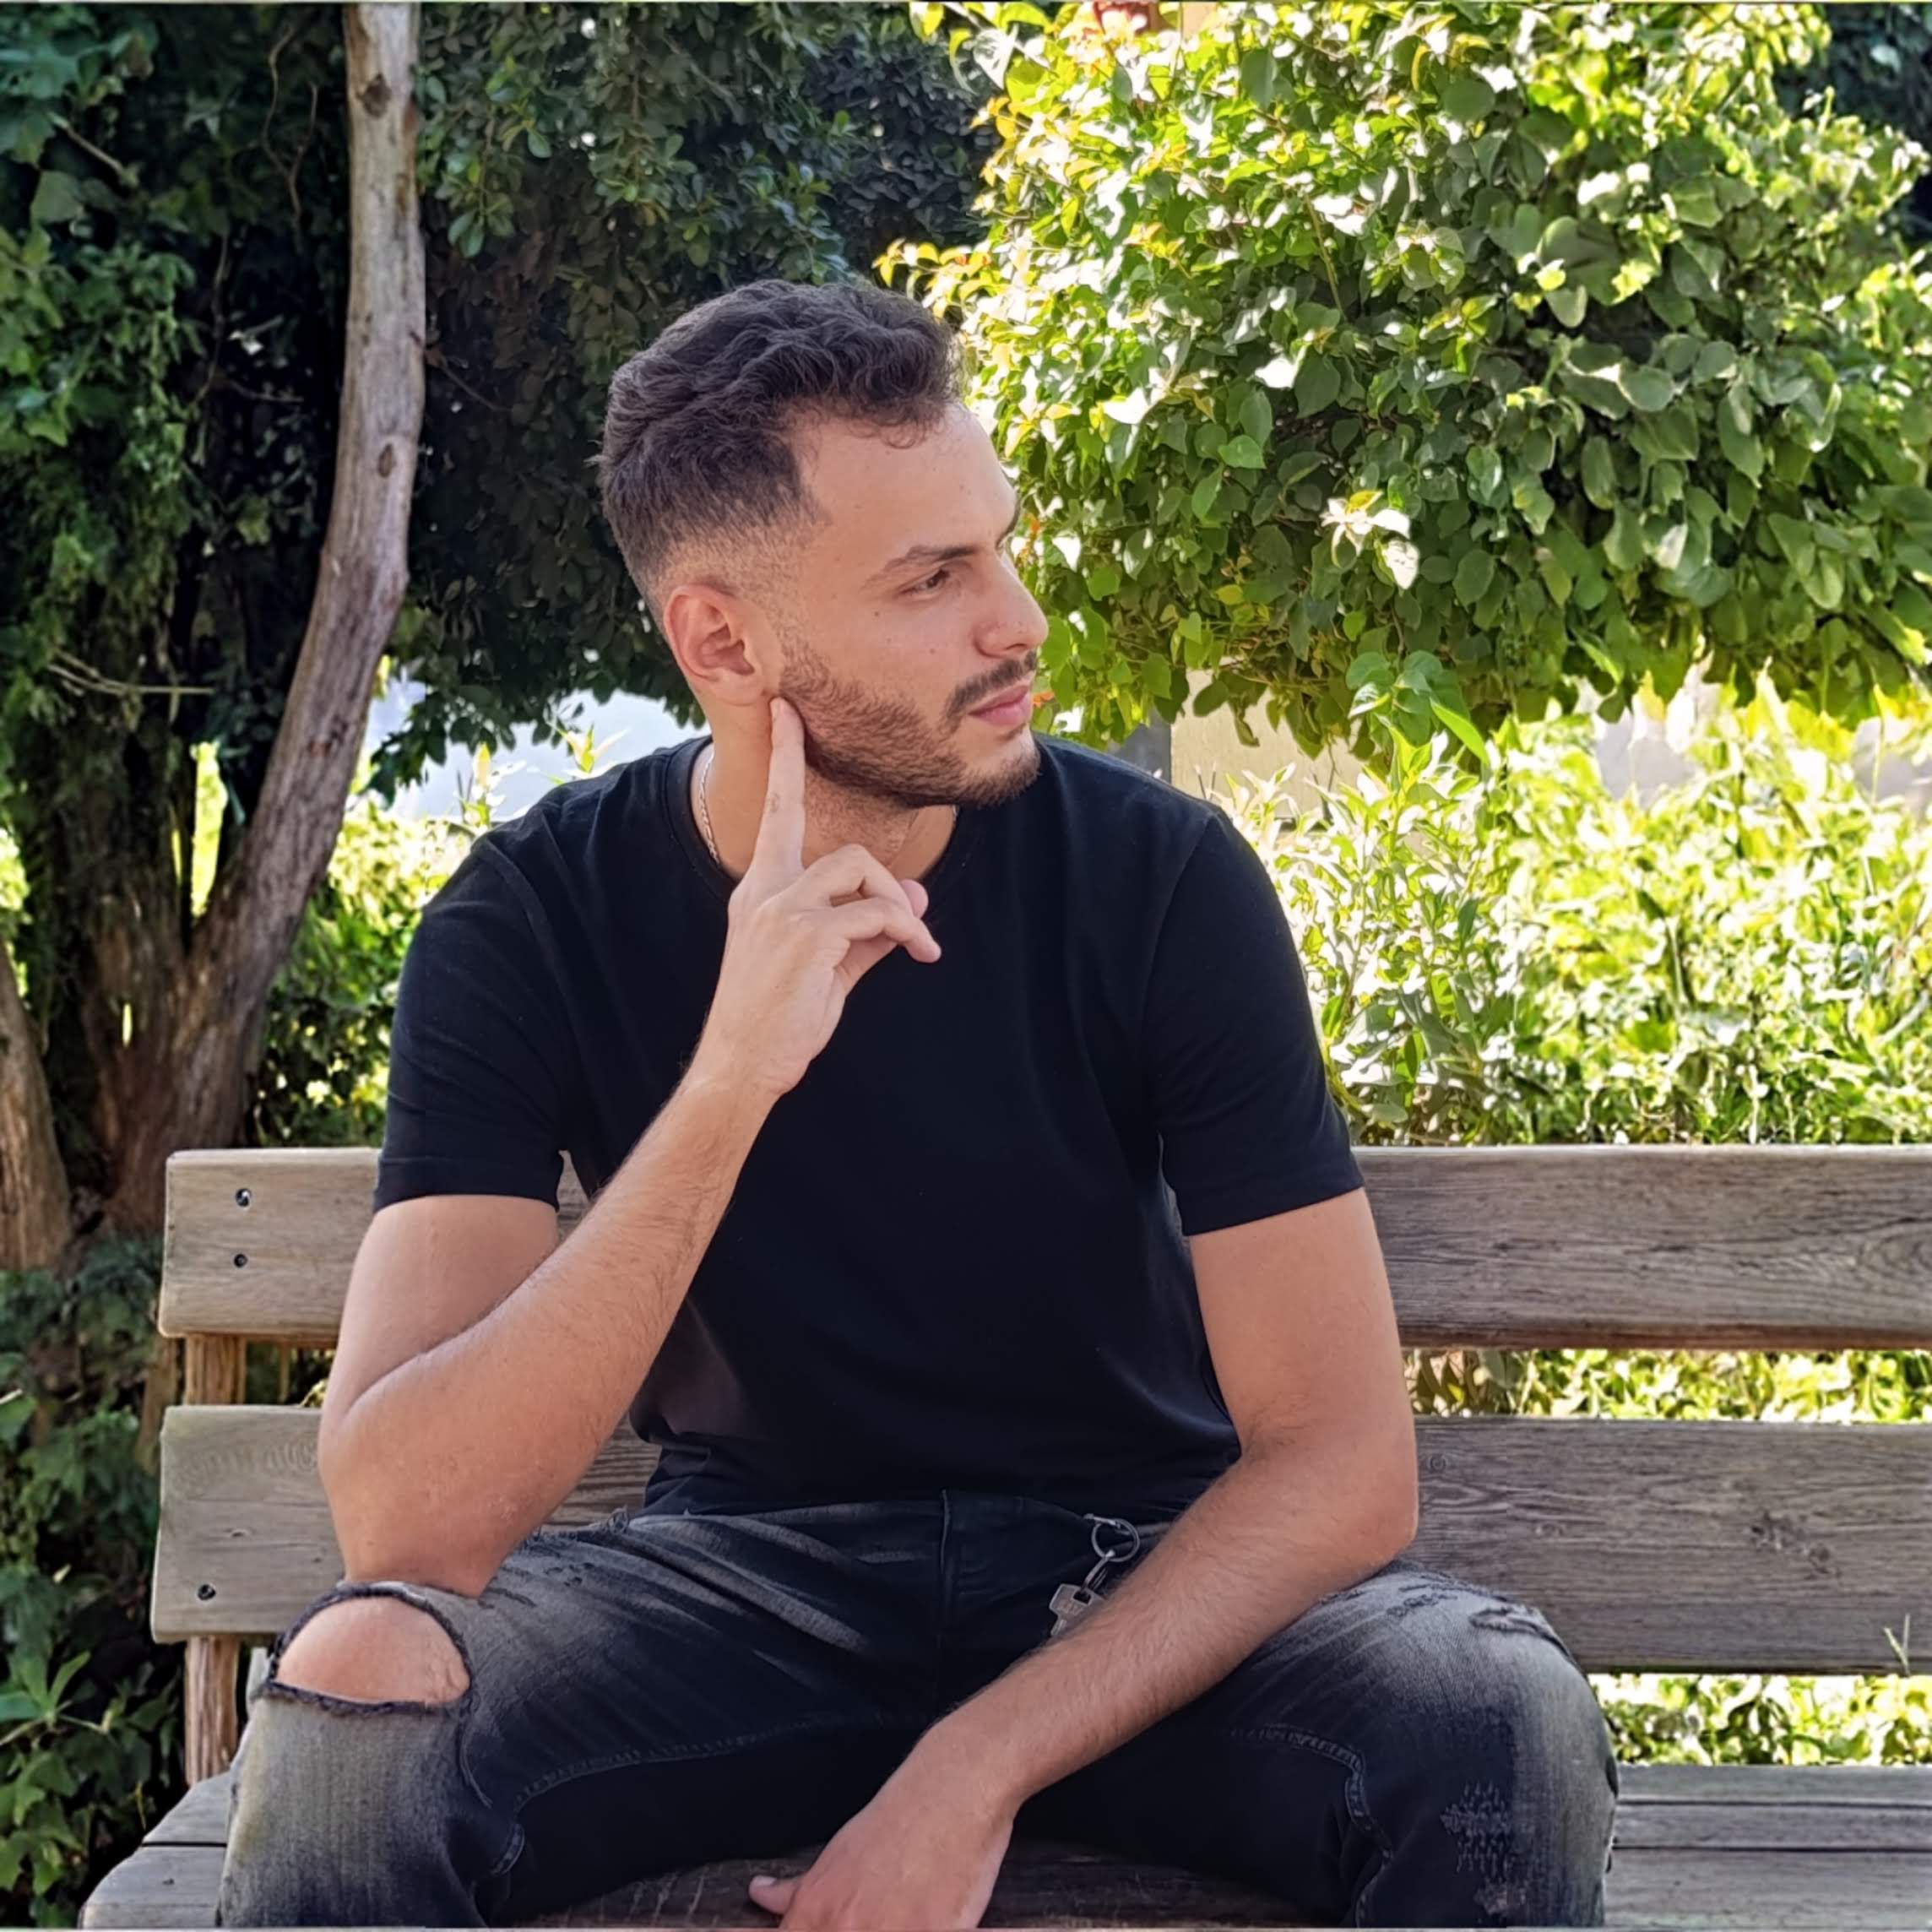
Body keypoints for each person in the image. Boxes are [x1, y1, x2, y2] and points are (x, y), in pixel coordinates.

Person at [215, 277, 1618, 1929]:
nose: (1015, 619)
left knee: (1494, 1715)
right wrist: (729, 1081)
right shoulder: (531, 919)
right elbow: (404, 1519)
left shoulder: (1161, 883)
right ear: (722, 640)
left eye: (999, 547)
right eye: (933, 579)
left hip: (1135, 1594)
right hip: (742, 1601)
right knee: (359, 1691)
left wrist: (971, 1768)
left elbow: (1339, 1466)